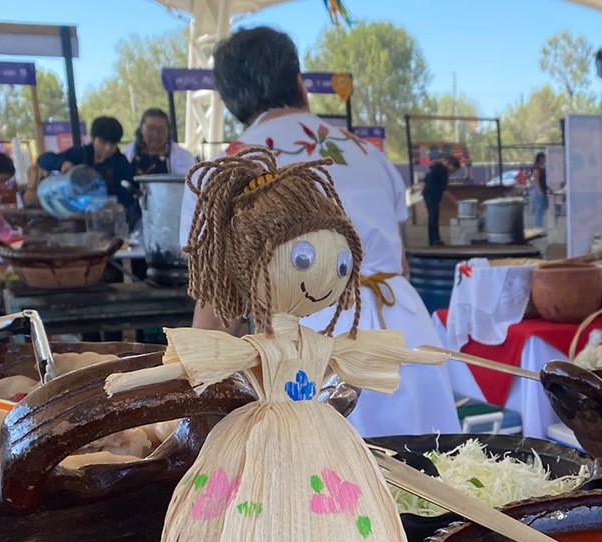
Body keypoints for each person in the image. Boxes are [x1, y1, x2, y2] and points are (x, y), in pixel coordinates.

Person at [108, 147, 435, 542]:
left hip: (325, 442)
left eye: (340, 263)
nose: (324, 280)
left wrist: (415, 352)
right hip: (260, 439)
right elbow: (210, 355)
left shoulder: (318, 341)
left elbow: (358, 356)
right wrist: (131, 378)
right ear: (248, 264)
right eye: (302, 260)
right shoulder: (259, 347)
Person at [182, 25, 460, 438]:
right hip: (404, 327)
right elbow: (398, 260)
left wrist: (191, 385)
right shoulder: (368, 151)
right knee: (433, 468)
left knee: (334, 484)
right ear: (299, 83)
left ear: (231, 100)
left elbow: (217, 308)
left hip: (314, 340)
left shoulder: (225, 170)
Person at [38, 116, 135, 211]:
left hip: (107, 214)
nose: (108, 148)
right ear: (93, 139)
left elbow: (130, 190)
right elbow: (44, 159)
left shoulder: (121, 162)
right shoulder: (79, 154)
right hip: (76, 212)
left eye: (113, 144)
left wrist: (121, 205)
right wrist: (62, 163)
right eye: (103, 142)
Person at [123, 108, 197, 176]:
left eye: (161, 130)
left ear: (168, 131)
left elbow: (187, 183)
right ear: (141, 128)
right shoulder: (129, 151)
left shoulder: (182, 156)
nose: (156, 134)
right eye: (151, 128)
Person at [421, 155, 460, 246]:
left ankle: (433, 239)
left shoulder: (436, 167)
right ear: (450, 165)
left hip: (428, 193)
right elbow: (445, 190)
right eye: (454, 169)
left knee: (433, 216)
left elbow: (425, 179)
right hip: (431, 194)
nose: (454, 171)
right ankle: (435, 240)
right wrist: (455, 202)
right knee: (434, 216)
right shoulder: (443, 171)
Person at [531, 151, 549, 229]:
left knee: (543, 207)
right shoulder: (536, 168)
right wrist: (539, 191)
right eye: (544, 158)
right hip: (538, 191)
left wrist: (548, 188)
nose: (545, 159)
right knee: (539, 209)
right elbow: (536, 181)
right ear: (540, 158)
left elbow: (542, 181)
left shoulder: (542, 168)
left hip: (543, 190)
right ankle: (538, 226)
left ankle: (539, 224)